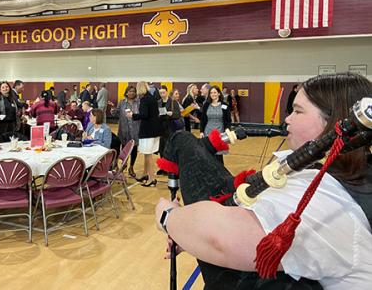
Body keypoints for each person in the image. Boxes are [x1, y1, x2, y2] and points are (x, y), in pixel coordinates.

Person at [155, 72, 372, 290]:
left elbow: (220, 239)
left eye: (298, 111)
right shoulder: (354, 177)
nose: (287, 118)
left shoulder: (325, 198)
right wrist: (192, 236)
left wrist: (168, 216)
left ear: (334, 123)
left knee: (183, 142)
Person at [126, 82, 162, 187]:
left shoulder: (144, 99)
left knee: (148, 155)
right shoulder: (152, 98)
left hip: (148, 131)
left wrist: (132, 115)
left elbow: (144, 115)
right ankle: (145, 174)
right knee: (147, 154)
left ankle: (151, 179)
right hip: (155, 130)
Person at [111, 85, 140, 178]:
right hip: (124, 129)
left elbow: (141, 114)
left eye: (133, 91)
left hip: (135, 129)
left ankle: (131, 167)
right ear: (126, 92)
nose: (131, 93)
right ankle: (124, 164)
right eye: (129, 91)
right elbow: (117, 113)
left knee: (134, 149)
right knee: (124, 148)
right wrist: (113, 110)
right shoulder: (122, 102)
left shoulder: (138, 102)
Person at [199, 85, 231, 164]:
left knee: (218, 155)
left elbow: (228, 120)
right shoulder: (206, 105)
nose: (213, 94)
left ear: (219, 93)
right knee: (208, 154)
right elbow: (203, 119)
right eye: (211, 93)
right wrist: (201, 131)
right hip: (208, 131)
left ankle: (220, 174)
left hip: (220, 132)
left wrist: (227, 130)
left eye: (215, 92)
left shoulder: (224, 105)